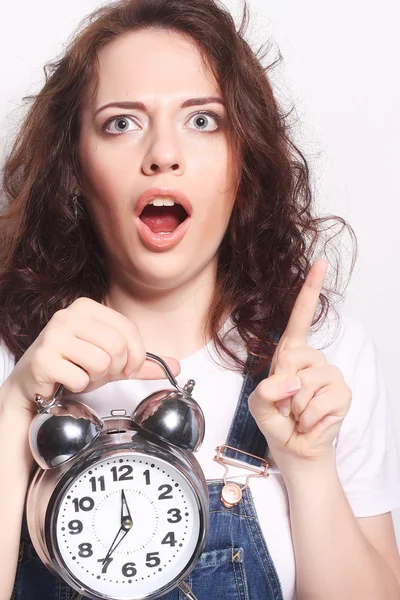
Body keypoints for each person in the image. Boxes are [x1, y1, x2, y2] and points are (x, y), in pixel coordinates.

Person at [0, 0, 399, 598]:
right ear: (76, 169)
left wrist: (309, 465)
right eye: (121, 122)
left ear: (244, 159)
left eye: (203, 120)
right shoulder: (12, 355)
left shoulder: (322, 353)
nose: (163, 153)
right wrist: (14, 412)